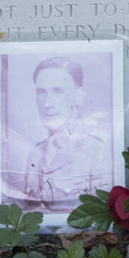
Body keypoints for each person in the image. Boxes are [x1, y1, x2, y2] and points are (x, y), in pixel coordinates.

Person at [20, 56, 113, 211]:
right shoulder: (35, 154)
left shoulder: (98, 149)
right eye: (41, 92)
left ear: (79, 96)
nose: (47, 104)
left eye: (58, 91)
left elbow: (102, 218)